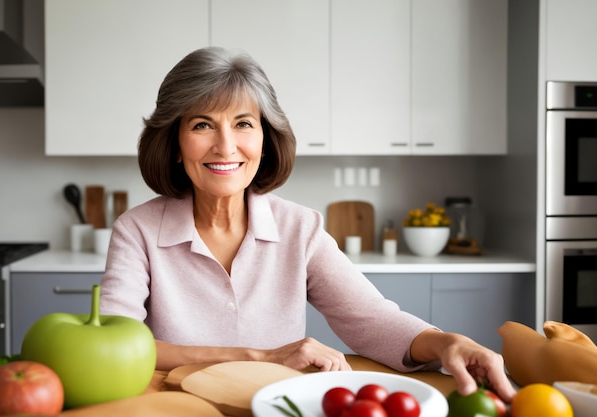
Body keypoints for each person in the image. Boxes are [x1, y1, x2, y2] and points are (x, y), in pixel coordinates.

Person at [99, 46, 516, 402]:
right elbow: (116, 346)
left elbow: (370, 320)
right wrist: (264, 357)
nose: (226, 145)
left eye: (244, 123)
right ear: (174, 143)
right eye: (202, 124)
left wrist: (446, 343)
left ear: (265, 139)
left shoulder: (301, 228)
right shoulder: (136, 230)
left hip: (278, 406)